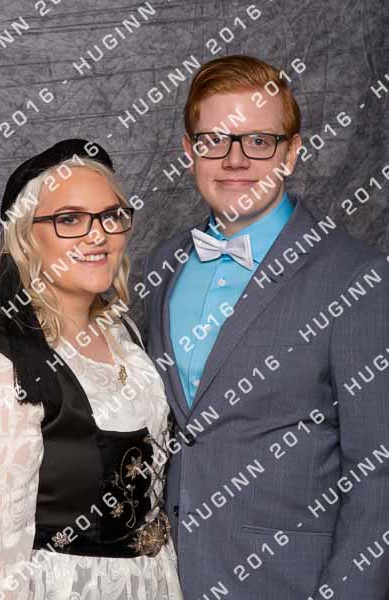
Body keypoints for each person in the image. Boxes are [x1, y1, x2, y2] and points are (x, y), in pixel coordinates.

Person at [143, 55, 389, 599]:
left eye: (258, 141)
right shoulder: (164, 264)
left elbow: (379, 475)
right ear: (188, 151)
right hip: (165, 579)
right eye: (214, 140)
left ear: (291, 152)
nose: (235, 160)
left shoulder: (357, 277)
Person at [0, 139, 183, 600]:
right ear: (25, 236)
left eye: (110, 216)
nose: (97, 236)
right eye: (70, 219)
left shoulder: (123, 335)